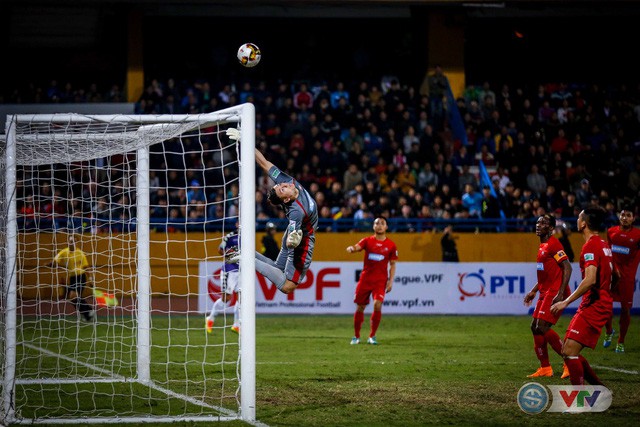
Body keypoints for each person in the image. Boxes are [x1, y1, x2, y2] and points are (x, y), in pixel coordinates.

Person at [226, 127, 318, 294]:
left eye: (281, 185)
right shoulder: (297, 211)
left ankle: (245, 253)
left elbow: (264, 162)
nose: (284, 185)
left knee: (277, 267)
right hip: (302, 241)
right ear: (287, 199)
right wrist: (293, 241)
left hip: (295, 234)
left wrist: (245, 141)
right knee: (288, 287)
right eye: (282, 189)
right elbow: (292, 240)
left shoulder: (286, 180)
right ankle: (247, 260)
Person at [551, 207, 613, 385]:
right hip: (598, 303)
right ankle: (600, 391)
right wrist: (605, 292)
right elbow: (616, 275)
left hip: (594, 305)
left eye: (579, 217)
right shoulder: (604, 244)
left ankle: (579, 401)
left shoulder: (591, 245)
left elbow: (590, 279)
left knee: (569, 351)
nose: (577, 220)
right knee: (568, 350)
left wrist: (565, 302)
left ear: (584, 223)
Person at [523, 214, 572, 379]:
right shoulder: (543, 246)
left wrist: (560, 293)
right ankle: (545, 368)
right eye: (537, 222)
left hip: (554, 292)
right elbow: (547, 274)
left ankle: (569, 362)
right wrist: (534, 290)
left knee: (542, 327)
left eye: (543, 223)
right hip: (545, 291)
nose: (538, 225)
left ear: (551, 228)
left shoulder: (553, 244)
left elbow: (567, 267)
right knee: (535, 328)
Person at [346, 216, 398, 345]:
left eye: (382, 223)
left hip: (380, 280)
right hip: (365, 279)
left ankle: (372, 336)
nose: (379, 225)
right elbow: (357, 247)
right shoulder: (367, 241)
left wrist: (390, 281)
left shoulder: (391, 245)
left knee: (377, 304)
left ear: (386, 227)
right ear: (373, 226)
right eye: (376, 223)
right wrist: (352, 249)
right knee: (360, 307)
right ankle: (356, 336)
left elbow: (392, 265)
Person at [602, 207, 640, 353]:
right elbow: (609, 252)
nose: (625, 218)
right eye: (623, 215)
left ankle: (621, 341)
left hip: (627, 279)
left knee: (625, 310)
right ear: (619, 216)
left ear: (633, 218)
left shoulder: (638, 235)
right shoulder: (611, 232)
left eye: (628, 215)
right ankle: (609, 330)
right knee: (605, 305)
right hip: (612, 275)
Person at [44, 234, 95, 322]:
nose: (72, 243)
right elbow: (55, 262)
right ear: (68, 242)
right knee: (73, 298)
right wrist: (49, 264)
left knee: (73, 296)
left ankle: (89, 311)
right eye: (71, 241)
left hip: (81, 277)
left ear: (77, 243)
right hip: (72, 278)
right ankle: (88, 314)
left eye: (74, 241)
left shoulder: (80, 253)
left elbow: (86, 267)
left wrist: (90, 279)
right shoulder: (63, 252)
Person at [206, 226, 240, 334]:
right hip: (229, 271)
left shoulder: (247, 236)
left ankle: (236, 325)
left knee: (242, 298)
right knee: (226, 299)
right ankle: (210, 319)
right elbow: (220, 249)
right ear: (236, 224)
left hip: (242, 271)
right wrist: (230, 254)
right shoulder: (230, 236)